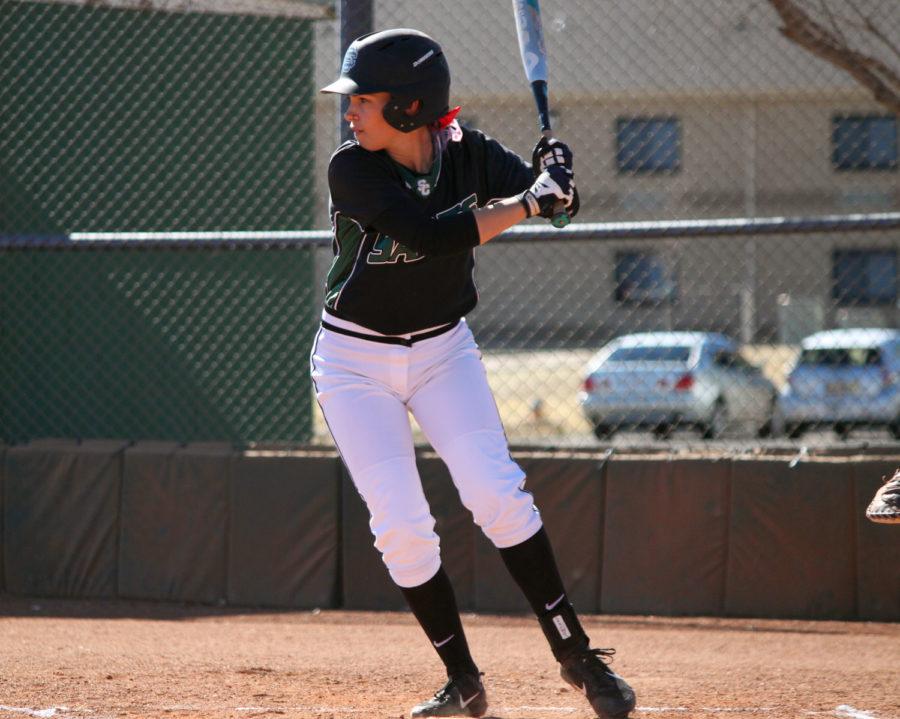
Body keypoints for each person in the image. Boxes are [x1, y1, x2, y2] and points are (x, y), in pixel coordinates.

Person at [311, 27, 636, 719]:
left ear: (407, 106)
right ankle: (463, 681)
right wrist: (529, 203)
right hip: (353, 359)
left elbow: (559, 210)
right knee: (401, 525)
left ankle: (577, 657)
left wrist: (557, 176)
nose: (350, 112)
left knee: (497, 493)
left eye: (363, 100)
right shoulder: (354, 169)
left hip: (441, 349)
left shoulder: (471, 152)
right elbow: (432, 234)